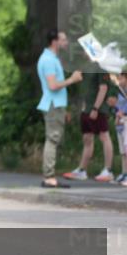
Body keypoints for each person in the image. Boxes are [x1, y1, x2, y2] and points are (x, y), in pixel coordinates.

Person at [37, 30, 82, 188]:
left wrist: (65, 108)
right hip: (52, 105)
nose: (66, 42)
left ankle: (50, 176)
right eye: (63, 39)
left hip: (56, 105)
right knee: (52, 139)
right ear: (54, 42)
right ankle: (49, 177)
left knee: (53, 139)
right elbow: (53, 85)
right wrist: (72, 79)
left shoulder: (52, 58)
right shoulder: (48, 60)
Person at [63, 69, 115, 182]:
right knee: (87, 138)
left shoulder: (101, 68)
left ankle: (108, 170)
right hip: (86, 109)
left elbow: (103, 88)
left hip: (98, 109)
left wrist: (95, 108)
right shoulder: (84, 68)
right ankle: (82, 170)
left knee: (104, 136)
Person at [113, 71, 127, 186]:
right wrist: (117, 115)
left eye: (121, 78)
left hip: (125, 122)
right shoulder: (120, 92)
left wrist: (123, 114)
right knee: (123, 152)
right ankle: (124, 172)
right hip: (120, 124)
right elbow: (118, 107)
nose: (119, 81)